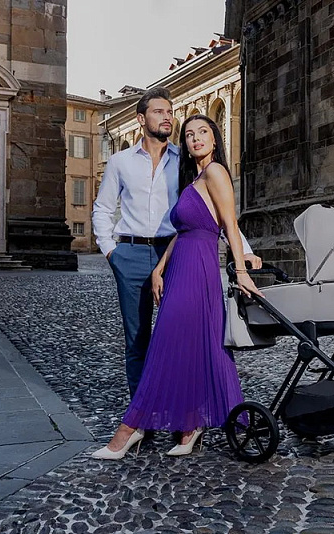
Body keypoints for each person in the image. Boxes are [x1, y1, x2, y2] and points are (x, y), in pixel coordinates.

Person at [92, 114, 262, 459]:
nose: (196, 138)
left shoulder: (216, 172)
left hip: (198, 270)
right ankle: (190, 425)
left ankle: (128, 430)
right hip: (180, 266)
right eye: (189, 134)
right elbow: (181, 232)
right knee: (193, 346)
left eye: (203, 132)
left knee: (165, 345)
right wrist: (159, 268)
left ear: (215, 139)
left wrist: (242, 270)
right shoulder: (194, 179)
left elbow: (229, 225)